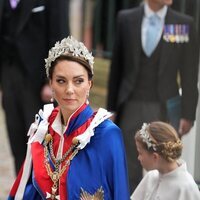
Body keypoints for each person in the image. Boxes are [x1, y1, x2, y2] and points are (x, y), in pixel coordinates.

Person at [8, 36, 130, 200]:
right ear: (50, 83)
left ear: (89, 85)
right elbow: (24, 189)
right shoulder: (42, 128)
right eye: (61, 81)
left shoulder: (107, 134)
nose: (69, 90)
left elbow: (120, 193)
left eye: (78, 81)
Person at [107, 0, 199, 193]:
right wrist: (112, 108)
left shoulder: (181, 24)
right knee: (128, 165)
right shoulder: (126, 19)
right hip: (130, 105)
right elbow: (117, 67)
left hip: (165, 109)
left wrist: (188, 114)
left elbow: (189, 73)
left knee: (165, 166)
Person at [0, 0, 69, 174]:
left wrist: (51, 82)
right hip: (8, 76)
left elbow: (59, 38)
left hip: (38, 83)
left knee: (40, 148)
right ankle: (21, 192)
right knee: (17, 144)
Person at [131, 121, 200, 200]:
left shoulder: (186, 187)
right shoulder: (151, 177)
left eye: (140, 153)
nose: (138, 157)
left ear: (155, 157)